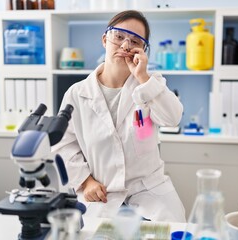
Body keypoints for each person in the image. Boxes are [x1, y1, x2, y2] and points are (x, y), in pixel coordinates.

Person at [52, 10, 186, 222]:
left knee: (169, 231)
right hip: (101, 192)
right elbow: (63, 145)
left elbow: (173, 118)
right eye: (119, 36)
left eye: (135, 41)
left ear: (142, 50)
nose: (125, 45)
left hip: (149, 191)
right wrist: (86, 182)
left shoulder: (151, 83)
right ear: (105, 39)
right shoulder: (77, 94)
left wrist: (142, 77)